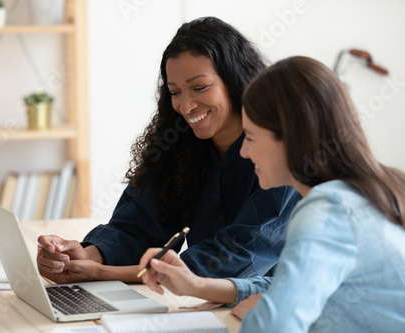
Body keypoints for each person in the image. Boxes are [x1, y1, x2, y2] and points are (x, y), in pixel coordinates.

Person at [139, 56, 405, 332]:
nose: (243, 152)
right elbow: (287, 286)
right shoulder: (361, 193)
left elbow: (274, 324)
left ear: (292, 138)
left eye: (251, 138)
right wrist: (198, 286)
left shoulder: (328, 208)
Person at [36, 17, 301, 284]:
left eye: (200, 88)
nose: (185, 106)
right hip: (204, 306)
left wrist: (104, 274)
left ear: (235, 80)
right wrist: (86, 256)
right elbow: (140, 227)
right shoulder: (178, 146)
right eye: (175, 92)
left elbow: (237, 257)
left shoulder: (282, 153)